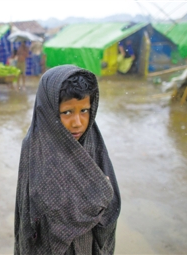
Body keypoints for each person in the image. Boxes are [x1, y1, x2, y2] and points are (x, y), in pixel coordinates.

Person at [14, 65, 121, 254]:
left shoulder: (92, 140)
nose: (78, 122)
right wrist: (96, 194)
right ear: (50, 111)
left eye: (84, 111)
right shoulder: (36, 147)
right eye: (67, 112)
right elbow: (39, 209)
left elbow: (111, 204)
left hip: (87, 244)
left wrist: (100, 194)